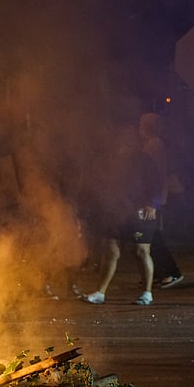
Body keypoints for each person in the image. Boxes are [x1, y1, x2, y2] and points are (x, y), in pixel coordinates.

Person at [79, 125, 162, 306]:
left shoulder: (144, 161)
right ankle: (100, 292)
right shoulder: (111, 161)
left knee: (141, 251)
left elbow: (157, 184)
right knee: (110, 250)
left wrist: (152, 204)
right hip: (116, 211)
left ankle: (147, 293)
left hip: (140, 212)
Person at [137, 112, 185, 289]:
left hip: (153, 199)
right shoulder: (155, 144)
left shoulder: (153, 145)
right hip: (155, 198)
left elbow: (154, 175)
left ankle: (172, 272)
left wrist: (153, 201)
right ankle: (159, 272)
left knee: (153, 237)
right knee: (151, 237)